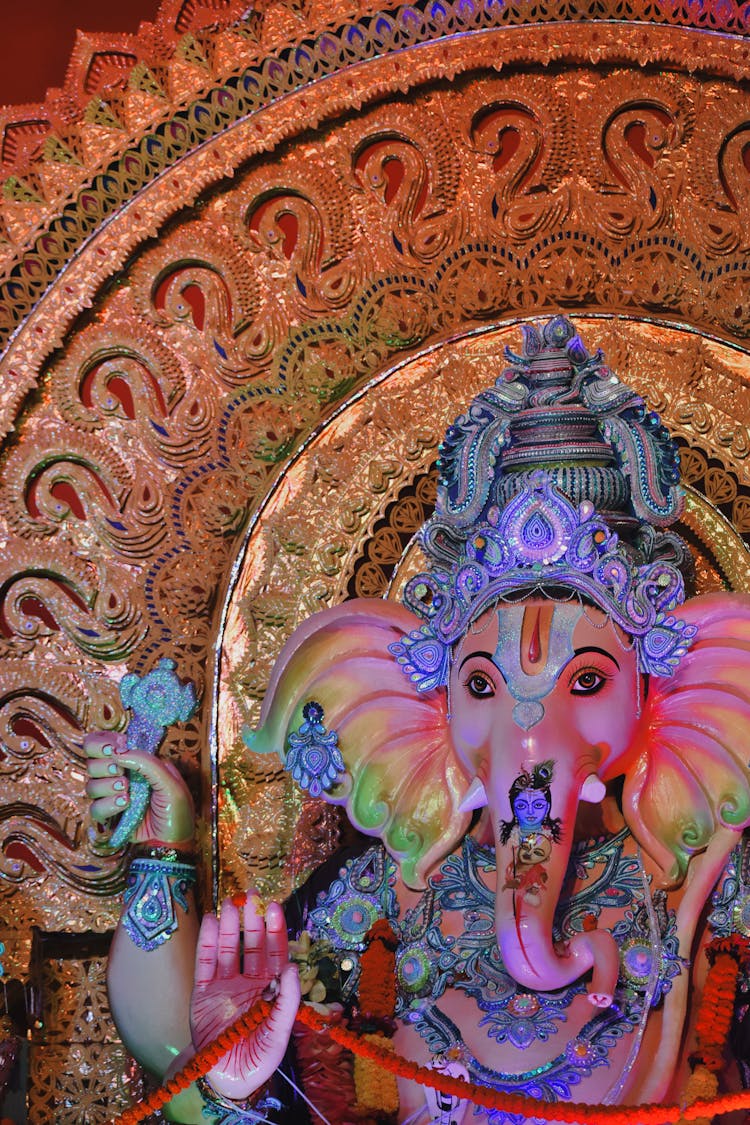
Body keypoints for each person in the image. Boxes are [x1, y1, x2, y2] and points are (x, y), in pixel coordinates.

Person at [86, 315, 750, 1124]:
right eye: (482, 684)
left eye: (585, 680)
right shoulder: (383, 898)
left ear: (672, 694)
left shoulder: (715, 896)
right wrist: (230, 1081)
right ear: (412, 708)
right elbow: (176, 1080)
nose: (525, 730)